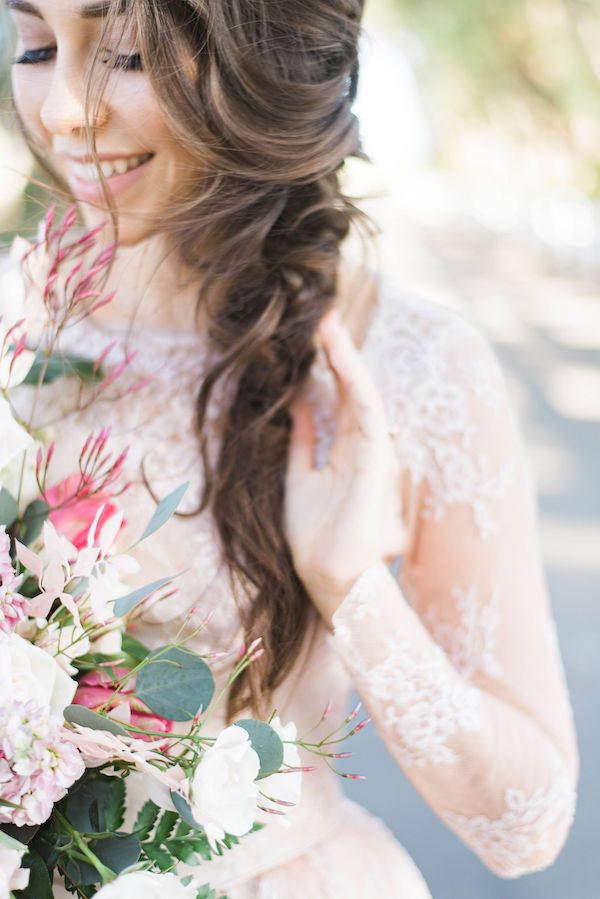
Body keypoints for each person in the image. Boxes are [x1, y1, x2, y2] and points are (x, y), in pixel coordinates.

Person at [5, 0, 579, 896]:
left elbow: (526, 824)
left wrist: (351, 587)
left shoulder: (409, 362)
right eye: (34, 44)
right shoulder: (14, 315)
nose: (62, 110)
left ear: (261, 58)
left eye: (124, 51)